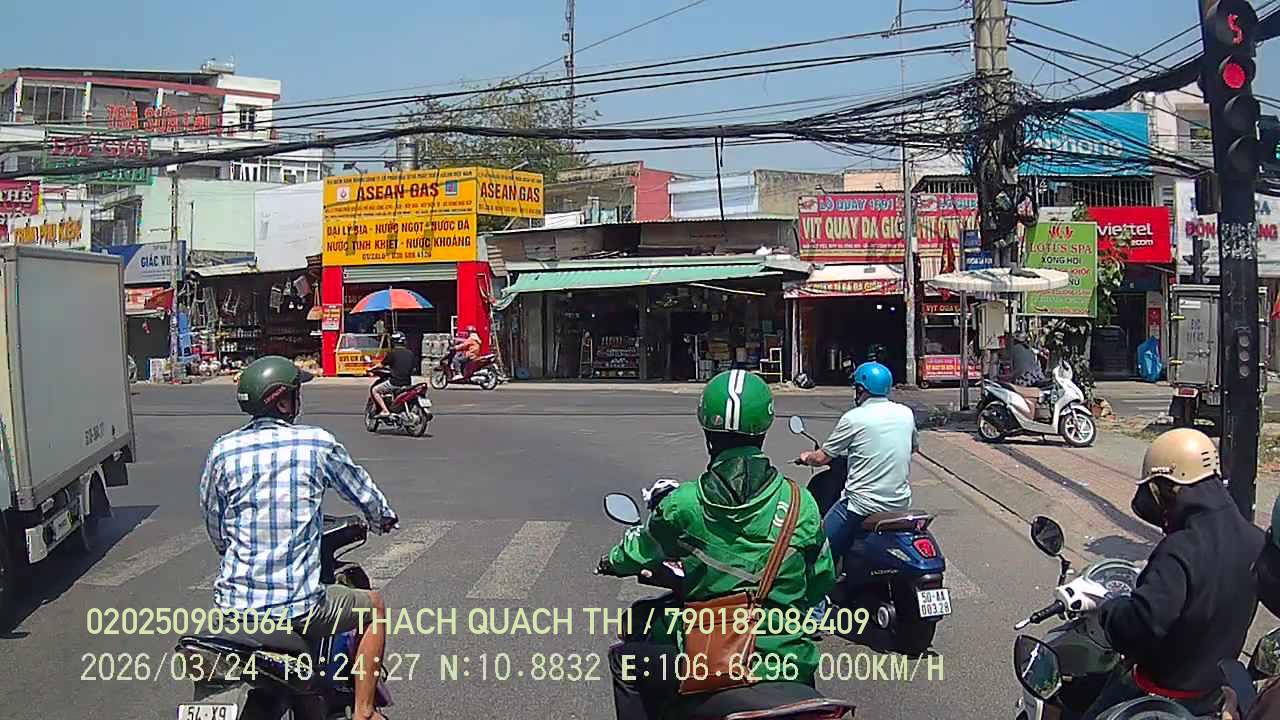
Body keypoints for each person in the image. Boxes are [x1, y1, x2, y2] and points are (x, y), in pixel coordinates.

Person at [598, 369, 835, 720]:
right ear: (765, 427)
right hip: (791, 662)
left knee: (625, 662)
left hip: (714, 658)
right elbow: (821, 580)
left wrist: (610, 561)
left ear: (707, 431)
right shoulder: (802, 503)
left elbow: (638, 550)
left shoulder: (684, 504)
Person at [200, 356, 400, 720]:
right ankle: (365, 711)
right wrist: (382, 517)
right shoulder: (315, 443)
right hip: (298, 608)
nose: (298, 400)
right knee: (374, 607)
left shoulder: (222, 450)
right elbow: (361, 491)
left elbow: (215, 523)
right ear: (282, 402)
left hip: (233, 609)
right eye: (294, 393)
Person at [1079, 427, 1264, 720]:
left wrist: (1110, 609)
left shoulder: (1179, 550)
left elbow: (1140, 627)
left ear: (1168, 488)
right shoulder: (1255, 539)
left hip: (1160, 696)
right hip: (1215, 692)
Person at [796, 361, 917, 568]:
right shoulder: (906, 413)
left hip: (861, 505)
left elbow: (822, 458)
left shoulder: (854, 418)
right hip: (899, 503)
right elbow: (913, 447)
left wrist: (807, 457)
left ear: (861, 389)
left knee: (820, 548)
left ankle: (821, 588)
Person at [371, 331, 415, 418]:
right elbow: (413, 368)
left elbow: (381, 365)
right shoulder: (410, 353)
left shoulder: (392, 353)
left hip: (395, 382)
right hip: (407, 383)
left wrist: (371, 368)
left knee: (375, 390)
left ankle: (385, 410)